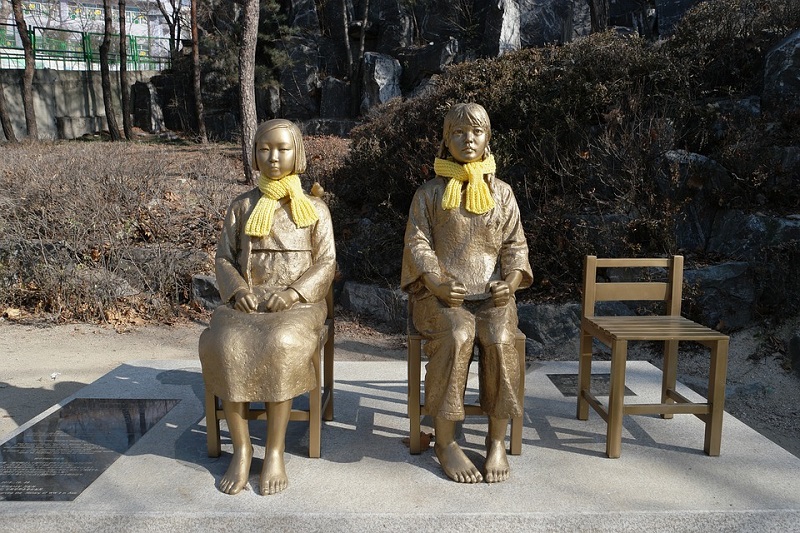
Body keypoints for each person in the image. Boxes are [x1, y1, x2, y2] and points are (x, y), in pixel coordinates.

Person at [199, 119, 335, 495]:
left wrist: (293, 294)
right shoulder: (241, 205)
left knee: (282, 343)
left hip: (299, 304)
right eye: (264, 149)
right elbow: (224, 258)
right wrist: (238, 288)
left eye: (282, 149)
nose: (273, 157)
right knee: (226, 344)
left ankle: (274, 450)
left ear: (298, 153)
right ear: (254, 154)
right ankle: (242, 449)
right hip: (246, 300)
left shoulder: (315, 209)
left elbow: (326, 263)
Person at [401, 103, 532, 484]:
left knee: (500, 336)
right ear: (446, 139)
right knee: (458, 336)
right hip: (439, 297)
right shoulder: (429, 194)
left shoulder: (503, 194)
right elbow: (418, 244)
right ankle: (445, 442)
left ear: (488, 139)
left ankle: (496, 441)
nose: (468, 139)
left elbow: (515, 245)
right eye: (458, 132)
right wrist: (438, 282)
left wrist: (510, 281)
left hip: (493, 298)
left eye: (476, 132)